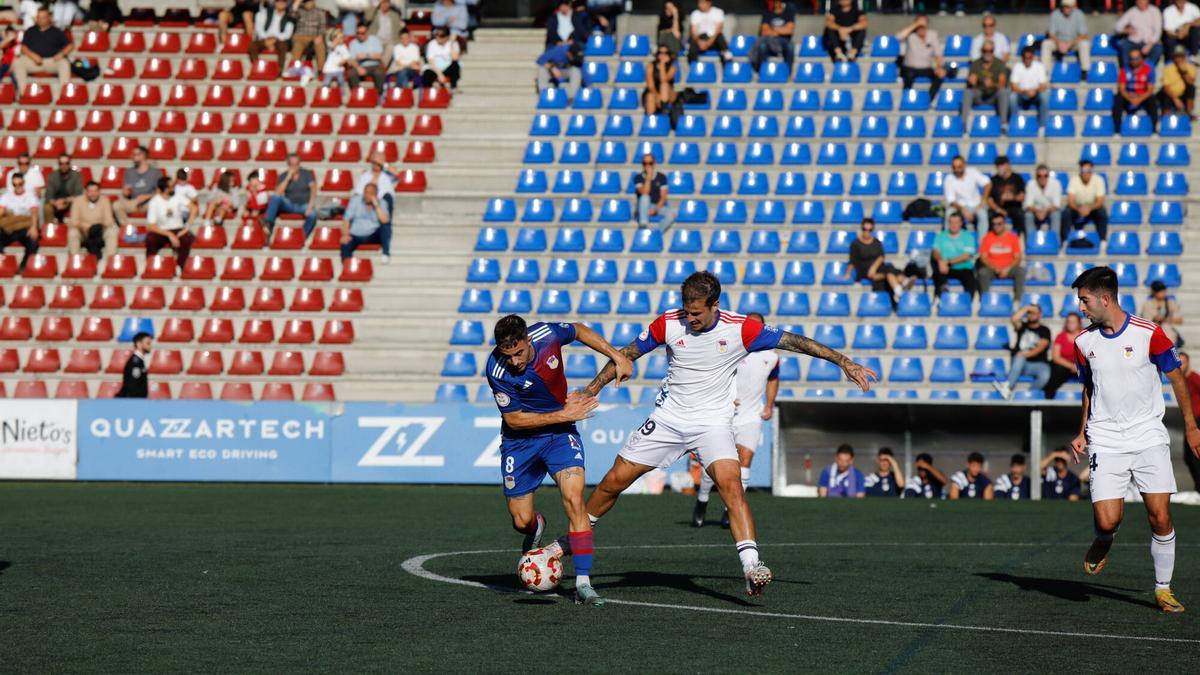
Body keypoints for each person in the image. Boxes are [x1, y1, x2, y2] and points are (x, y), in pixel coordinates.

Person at [580, 271, 876, 597]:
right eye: (686, 311)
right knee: (613, 481)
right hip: (669, 418)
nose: (689, 318)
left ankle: (751, 566)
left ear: (715, 304)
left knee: (732, 486)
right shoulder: (668, 322)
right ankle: (569, 541)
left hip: (713, 424)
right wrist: (593, 387)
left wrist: (844, 362)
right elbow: (629, 352)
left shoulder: (742, 328)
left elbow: (795, 342)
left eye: (696, 313)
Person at [1070, 266, 1200, 612]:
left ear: (1105, 298)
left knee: (1160, 516)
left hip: (1147, 436)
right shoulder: (1083, 342)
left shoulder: (1150, 333)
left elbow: (1177, 379)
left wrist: (1190, 426)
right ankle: (1103, 539)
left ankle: (1163, 588)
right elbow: (1089, 388)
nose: (1081, 307)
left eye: (1084, 300)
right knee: (1107, 520)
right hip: (1106, 438)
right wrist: (1082, 430)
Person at [485, 314, 633, 607]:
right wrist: (562, 414)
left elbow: (578, 330)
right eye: (508, 355)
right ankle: (535, 526)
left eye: (519, 353)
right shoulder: (496, 370)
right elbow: (514, 420)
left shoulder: (548, 334)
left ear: (528, 340)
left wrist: (617, 356)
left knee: (574, 500)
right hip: (521, 442)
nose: (514, 361)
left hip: (560, 436)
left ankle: (583, 583)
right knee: (521, 520)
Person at [692, 311, 779, 528]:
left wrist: (769, 404)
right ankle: (702, 500)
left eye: (757, 326)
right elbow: (711, 375)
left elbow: (773, 380)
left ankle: (729, 510)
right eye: (749, 324)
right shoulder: (731, 349)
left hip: (751, 416)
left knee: (745, 461)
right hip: (723, 414)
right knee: (712, 467)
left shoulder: (772, 356)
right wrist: (725, 396)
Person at [845, 217, 914, 300]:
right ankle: (902, 282)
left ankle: (898, 290)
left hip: (877, 267)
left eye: (869, 230)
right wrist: (847, 273)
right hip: (864, 269)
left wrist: (874, 267)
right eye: (865, 229)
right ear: (862, 228)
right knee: (889, 269)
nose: (867, 232)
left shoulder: (876, 242)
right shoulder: (855, 244)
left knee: (888, 269)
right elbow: (852, 260)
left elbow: (881, 256)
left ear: (872, 230)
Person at [993, 304, 1052, 399]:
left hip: (1037, 364)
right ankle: (1008, 387)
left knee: (1045, 373)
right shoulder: (1023, 326)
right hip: (1020, 364)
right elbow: (1014, 319)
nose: (1031, 315)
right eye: (1029, 313)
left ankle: (1029, 395)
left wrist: (1025, 354)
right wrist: (1027, 308)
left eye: (1034, 313)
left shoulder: (1045, 330)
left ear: (1040, 315)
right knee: (1019, 357)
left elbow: (1041, 347)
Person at [12, 7, 72, 94]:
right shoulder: (30, 31)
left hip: (52, 62)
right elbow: (23, 48)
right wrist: (32, 55)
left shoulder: (57, 31)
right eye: (39, 17)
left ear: (49, 18)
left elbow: (70, 45)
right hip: (34, 62)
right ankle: (24, 93)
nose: (40, 20)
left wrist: (61, 54)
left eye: (43, 17)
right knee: (18, 62)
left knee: (64, 63)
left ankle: (64, 94)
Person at [145, 177, 195, 269]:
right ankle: (150, 265)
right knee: (150, 239)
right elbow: (151, 226)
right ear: (164, 189)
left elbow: (193, 208)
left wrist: (187, 226)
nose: (173, 188)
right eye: (171, 187)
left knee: (186, 239)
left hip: (178, 229)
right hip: (162, 231)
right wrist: (169, 235)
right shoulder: (154, 202)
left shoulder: (177, 196)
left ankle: (180, 266)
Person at [264, 154, 318, 237]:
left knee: (313, 214)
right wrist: (288, 177)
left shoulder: (307, 174)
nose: (295, 166)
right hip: (289, 204)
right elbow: (278, 192)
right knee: (275, 198)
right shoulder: (283, 175)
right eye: (292, 164)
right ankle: (268, 224)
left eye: (297, 164)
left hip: (304, 205)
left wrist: (310, 207)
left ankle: (301, 236)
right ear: (288, 164)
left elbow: (313, 191)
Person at [962, 39, 1010, 132]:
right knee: (967, 92)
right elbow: (972, 80)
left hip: (994, 95)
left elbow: (1002, 83)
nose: (988, 53)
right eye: (985, 51)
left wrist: (992, 84)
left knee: (1004, 92)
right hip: (979, 93)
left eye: (990, 51)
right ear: (981, 51)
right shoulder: (976, 64)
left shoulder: (999, 63)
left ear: (993, 51)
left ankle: (1003, 123)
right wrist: (971, 82)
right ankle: (963, 123)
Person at [977, 212, 1025, 300]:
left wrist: (1007, 269)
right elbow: (983, 258)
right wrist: (995, 268)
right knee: (983, 273)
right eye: (994, 224)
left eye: (999, 224)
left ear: (1004, 224)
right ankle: (985, 299)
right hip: (992, 268)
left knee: (1021, 271)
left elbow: (1018, 257)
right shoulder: (987, 238)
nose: (996, 226)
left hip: (1009, 268)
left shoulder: (1013, 238)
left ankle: (1017, 300)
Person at [112, 146, 164, 227]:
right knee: (117, 205)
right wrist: (126, 193)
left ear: (143, 155)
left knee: (159, 205)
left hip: (149, 203)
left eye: (134, 154)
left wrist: (148, 196)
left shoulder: (155, 172)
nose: (132, 156)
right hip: (134, 201)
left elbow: (161, 191)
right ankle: (126, 229)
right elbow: (126, 191)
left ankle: (154, 229)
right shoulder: (129, 172)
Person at [896, 15, 946, 98]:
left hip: (926, 67)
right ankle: (906, 99)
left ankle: (928, 99)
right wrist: (916, 25)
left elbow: (938, 53)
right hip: (910, 67)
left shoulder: (932, 35)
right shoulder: (911, 34)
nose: (921, 27)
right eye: (919, 25)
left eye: (923, 25)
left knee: (941, 74)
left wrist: (939, 66)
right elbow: (899, 37)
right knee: (908, 77)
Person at [339, 182, 391, 262]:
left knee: (386, 227)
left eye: (370, 193)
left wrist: (376, 205)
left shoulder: (382, 203)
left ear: (376, 194)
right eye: (365, 192)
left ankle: (385, 253)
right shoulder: (355, 201)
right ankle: (347, 267)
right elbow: (347, 219)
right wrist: (345, 235)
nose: (367, 195)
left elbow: (384, 220)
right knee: (345, 244)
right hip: (356, 234)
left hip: (373, 234)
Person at [931, 211, 978, 299]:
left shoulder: (967, 236)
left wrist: (948, 262)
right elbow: (935, 251)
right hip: (945, 268)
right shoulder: (941, 236)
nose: (953, 225)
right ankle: (941, 297)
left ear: (960, 223)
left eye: (956, 222)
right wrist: (941, 261)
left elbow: (967, 256)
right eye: (951, 222)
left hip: (963, 268)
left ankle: (967, 301)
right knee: (937, 271)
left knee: (970, 278)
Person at [1113, 46, 1160, 134]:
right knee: (1118, 99)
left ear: (1142, 59)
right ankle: (1117, 129)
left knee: (1152, 100)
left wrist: (1139, 99)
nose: (1134, 61)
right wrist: (1131, 99)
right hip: (1129, 96)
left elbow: (1150, 90)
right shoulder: (1124, 70)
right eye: (1131, 59)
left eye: (1136, 58)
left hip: (1142, 96)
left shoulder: (1148, 69)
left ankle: (1154, 128)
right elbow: (1122, 89)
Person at [0, 172, 40, 272]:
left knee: (33, 241)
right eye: (15, 184)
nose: (17, 187)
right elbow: (1, 210)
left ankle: (24, 266)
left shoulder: (30, 196)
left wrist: (34, 227)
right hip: (10, 228)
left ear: (24, 183)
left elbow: (34, 212)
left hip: (23, 228)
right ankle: (4, 263)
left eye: (20, 184)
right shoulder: (7, 196)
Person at [943, 155, 990, 239]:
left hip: (976, 204)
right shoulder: (949, 179)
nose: (957, 170)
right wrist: (963, 210)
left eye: (959, 167)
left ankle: (982, 246)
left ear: (964, 165)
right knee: (949, 214)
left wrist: (983, 200)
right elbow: (951, 200)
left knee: (983, 215)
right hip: (959, 206)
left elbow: (987, 184)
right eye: (954, 167)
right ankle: (948, 241)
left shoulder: (973, 172)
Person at [67, 180, 116, 259]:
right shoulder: (77, 201)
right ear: (86, 192)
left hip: (99, 231)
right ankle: (74, 259)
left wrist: (97, 227)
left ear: (99, 192)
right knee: (72, 232)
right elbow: (74, 221)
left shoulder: (105, 201)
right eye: (90, 191)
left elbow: (109, 220)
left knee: (111, 231)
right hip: (83, 231)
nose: (93, 194)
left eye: (95, 191)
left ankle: (111, 260)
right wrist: (86, 228)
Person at [1064, 159, 1108, 245]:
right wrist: (1078, 209)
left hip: (1092, 207)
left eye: (1088, 171)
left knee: (1102, 212)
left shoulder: (1099, 180)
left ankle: (1102, 240)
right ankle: (1065, 240)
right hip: (1077, 207)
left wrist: (1089, 208)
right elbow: (1070, 200)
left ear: (1092, 171)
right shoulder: (1074, 180)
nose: (1085, 173)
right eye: (1083, 171)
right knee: (1066, 213)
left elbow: (1100, 200)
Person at [1042, 0, 1090, 73]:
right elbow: (1051, 33)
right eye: (1065, 6)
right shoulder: (1055, 14)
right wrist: (1059, 43)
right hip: (1058, 42)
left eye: (1068, 6)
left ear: (1073, 6)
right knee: (1046, 44)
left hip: (1073, 43)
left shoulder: (1079, 14)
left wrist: (1070, 44)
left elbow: (1084, 35)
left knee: (1085, 44)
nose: (1066, 8)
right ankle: (1044, 72)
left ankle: (1085, 72)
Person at [1045, 312, 1085, 400]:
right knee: (1057, 371)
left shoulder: (1085, 337)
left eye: (1073, 322)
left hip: (1081, 366)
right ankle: (1048, 401)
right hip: (1064, 365)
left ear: (1079, 324)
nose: (1070, 324)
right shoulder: (1060, 336)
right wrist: (1071, 366)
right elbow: (1056, 357)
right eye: (1068, 322)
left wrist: (1078, 366)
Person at [984, 155, 1025, 236]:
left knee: (1020, 215)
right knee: (989, 215)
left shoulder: (1017, 178)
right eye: (998, 166)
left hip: (1014, 207)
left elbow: (1022, 197)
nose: (999, 168)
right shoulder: (994, 180)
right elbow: (989, 199)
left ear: (1008, 165)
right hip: (998, 207)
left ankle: (1016, 237)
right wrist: (998, 209)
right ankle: (991, 237)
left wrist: (1012, 197)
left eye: (1001, 165)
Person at [1009, 45, 1049, 128]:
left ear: (1033, 57)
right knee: (1012, 97)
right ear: (1022, 57)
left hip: (1035, 94)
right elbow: (1013, 86)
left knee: (1045, 96)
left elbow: (1043, 85)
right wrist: (1026, 91)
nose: (1027, 59)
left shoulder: (1039, 67)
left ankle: (1042, 125)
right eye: (1025, 57)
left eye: (1029, 57)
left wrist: (1034, 91)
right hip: (1022, 94)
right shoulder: (1017, 67)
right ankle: (1014, 122)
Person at [1116, 0, 1164, 67]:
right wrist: (1126, 30)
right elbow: (1117, 27)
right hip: (1133, 41)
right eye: (1139, 1)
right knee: (1124, 46)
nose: (1141, 3)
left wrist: (1149, 45)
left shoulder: (1155, 11)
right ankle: (1127, 72)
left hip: (1149, 42)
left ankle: (1147, 70)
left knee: (1158, 49)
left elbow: (1158, 32)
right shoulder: (1132, 11)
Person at [249, 0, 295, 70]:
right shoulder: (266, 12)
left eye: (283, 1)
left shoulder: (289, 16)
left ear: (286, 4)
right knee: (252, 45)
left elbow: (288, 34)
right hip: (265, 37)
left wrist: (274, 39)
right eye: (278, 1)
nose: (280, 3)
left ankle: (280, 70)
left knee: (283, 46)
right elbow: (259, 28)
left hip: (279, 39)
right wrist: (266, 39)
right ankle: (256, 67)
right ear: (275, 3)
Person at [752, 0, 795, 70]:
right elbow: (764, 32)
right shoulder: (767, 14)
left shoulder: (788, 14)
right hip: (769, 40)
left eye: (779, 1)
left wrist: (773, 28)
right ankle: (762, 71)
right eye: (775, 1)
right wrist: (782, 30)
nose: (777, 3)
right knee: (762, 47)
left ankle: (788, 72)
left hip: (784, 40)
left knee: (790, 46)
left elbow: (789, 31)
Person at [633, 153, 673, 230]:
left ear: (654, 163)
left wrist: (655, 210)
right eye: (645, 163)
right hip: (642, 206)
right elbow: (644, 192)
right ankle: (643, 225)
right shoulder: (638, 178)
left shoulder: (662, 177)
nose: (647, 165)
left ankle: (656, 233)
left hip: (657, 206)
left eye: (650, 163)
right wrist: (648, 177)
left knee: (671, 214)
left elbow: (663, 197)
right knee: (645, 197)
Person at [41, 153, 82, 226]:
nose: (64, 166)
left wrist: (65, 201)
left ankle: (75, 230)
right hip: (55, 203)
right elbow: (48, 196)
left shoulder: (76, 176)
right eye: (61, 163)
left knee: (79, 204)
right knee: (47, 208)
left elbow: (78, 195)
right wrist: (56, 203)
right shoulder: (52, 176)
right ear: (58, 164)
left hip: (70, 203)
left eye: (66, 163)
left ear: (69, 164)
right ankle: (50, 231)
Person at [289, 0, 329, 72]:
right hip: (300, 35)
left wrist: (319, 36)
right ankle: (294, 68)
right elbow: (292, 14)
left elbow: (322, 27)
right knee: (297, 45)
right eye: (306, 1)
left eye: (309, 1)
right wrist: (297, 2)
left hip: (314, 36)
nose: (308, 3)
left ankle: (321, 69)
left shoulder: (320, 11)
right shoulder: (299, 11)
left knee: (320, 45)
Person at [1141, 280, 1183, 348]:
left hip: (1170, 339)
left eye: (1163, 290)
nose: (1162, 292)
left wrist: (1166, 319)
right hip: (1154, 339)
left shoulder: (1171, 303)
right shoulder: (1147, 304)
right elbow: (1146, 321)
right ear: (1153, 291)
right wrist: (1155, 319)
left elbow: (1179, 320)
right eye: (1159, 290)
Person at [687, 0, 730, 65]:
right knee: (692, 41)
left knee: (720, 37)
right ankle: (694, 67)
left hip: (713, 39)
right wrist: (699, 42)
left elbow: (718, 29)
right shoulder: (695, 13)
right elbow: (693, 31)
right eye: (699, 3)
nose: (700, 5)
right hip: (700, 39)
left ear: (709, 3)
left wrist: (709, 42)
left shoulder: (718, 12)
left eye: (702, 3)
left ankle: (727, 60)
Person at [1023, 164, 1063, 235]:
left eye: (1045, 175)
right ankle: (1031, 240)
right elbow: (1028, 205)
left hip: (1050, 210)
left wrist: (1045, 211)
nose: (1042, 178)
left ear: (1048, 176)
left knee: (1056, 215)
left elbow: (1056, 205)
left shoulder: (1056, 184)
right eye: (1039, 176)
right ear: (1036, 176)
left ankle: (1055, 240)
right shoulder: (1030, 184)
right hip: (1035, 211)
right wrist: (1036, 211)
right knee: (1028, 216)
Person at [1159, 44, 1196, 118]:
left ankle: (1189, 113)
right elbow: (1166, 87)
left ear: (1184, 57)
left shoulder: (1191, 67)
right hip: (1172, 94)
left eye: (1181, 56)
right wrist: (1175, 99)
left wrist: (1183, 72)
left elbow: (1190, 82)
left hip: (1183, 94)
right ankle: (1166, 117)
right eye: (1177, 56)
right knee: (1166, 95)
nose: (1179, 59)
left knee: (1192, 88)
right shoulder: (1168, 68)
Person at [347, 21, 386, 92]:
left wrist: (367, 56)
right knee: (351, 73)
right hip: (360, 65)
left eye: (362, 33)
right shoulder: (353, 43)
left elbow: (380, 56)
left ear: (367, 32)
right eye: (358, 33)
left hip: (375, 65)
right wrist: (358, 67)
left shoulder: (375, 40)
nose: (360, 35)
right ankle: (357, 94)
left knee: (379, 73)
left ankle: (379, 95)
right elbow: (351, 60)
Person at [1180, 352, 1200, 490]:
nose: (1180, 366)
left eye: (1183, 362)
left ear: (1189, 363)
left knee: (1195, 457)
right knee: (1188, 457)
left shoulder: (1194, 378)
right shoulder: (1181, 380)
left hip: (1198, 421)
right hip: (1189, 421)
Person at [642, 44, 677, 117]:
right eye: (661, 53)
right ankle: (650, 120)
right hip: (653, 91)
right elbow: (650, 85)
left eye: (666, 53)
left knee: (664, 86)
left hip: (667, 93)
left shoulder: (672, 68)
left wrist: (662, 65)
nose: (663, 55)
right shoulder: (650, 66)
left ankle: (663, 109)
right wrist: (657, 96)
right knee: (650, 96)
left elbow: (663, 80)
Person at [115, 332, 152, 399]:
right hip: (133, 402)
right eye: (147, 343)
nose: (150, 346)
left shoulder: (138, 361)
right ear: (139, 344)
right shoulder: (135, 363)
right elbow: (132, 386)